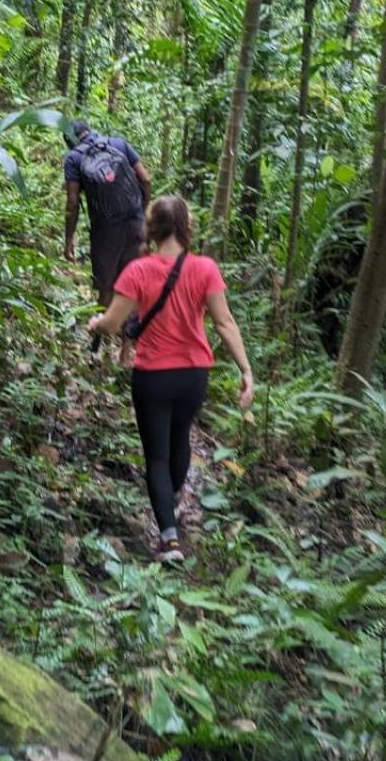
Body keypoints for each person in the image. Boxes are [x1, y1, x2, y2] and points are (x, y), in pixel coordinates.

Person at [88, 196, 254, 562]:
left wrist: (95, 324)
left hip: (153, 376)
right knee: (181, 440)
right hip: (194, 374)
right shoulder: (206, 268)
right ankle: (172, 500)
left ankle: (169, 538)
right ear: (186, 226)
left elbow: (114, 324)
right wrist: (246, 370)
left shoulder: (138, 270)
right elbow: (225, 323)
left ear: (152, 228)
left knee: (157, 458)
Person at [63, 119, 152, 307]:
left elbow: (73, 202)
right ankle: (130, 334)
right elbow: (145, 179)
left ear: (70, 141)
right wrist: (142, 214)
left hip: (105, 232)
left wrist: (69, 238)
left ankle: (102, 334)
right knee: (134, 287)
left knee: (106, 289)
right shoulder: (119, 144)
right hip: (135, 224)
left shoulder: (73, 158)